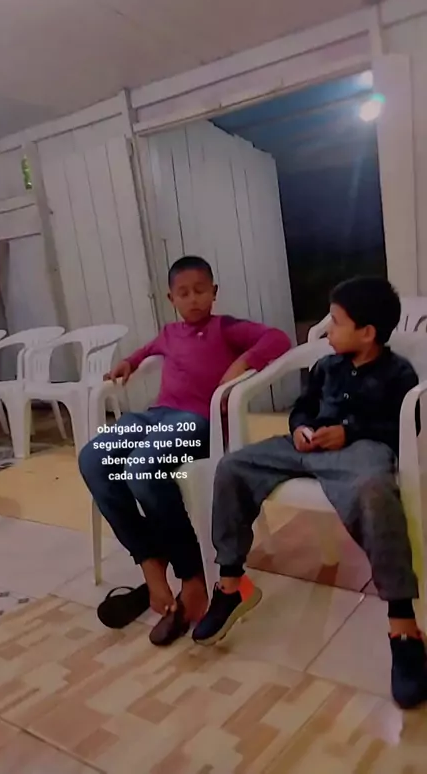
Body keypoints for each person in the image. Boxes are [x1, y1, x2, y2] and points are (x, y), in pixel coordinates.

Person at [193, 276, 427, 710]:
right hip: (306, 446)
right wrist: (300, 428)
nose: (326, 330)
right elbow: (302, 407)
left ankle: (403, 627)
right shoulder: (326, 366)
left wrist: (349, 431)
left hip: (359, 452)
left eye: (335, 322)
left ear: (367, 333)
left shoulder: (398, 373)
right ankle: (231, 584)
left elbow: (405, 424)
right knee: (232, 467)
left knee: (376, 492)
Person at [79, 255, 291, 646]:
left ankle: (191, 576)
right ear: (170, 298)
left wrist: (242, 364)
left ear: (214, 292)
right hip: (156, 416)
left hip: (198, 421)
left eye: (200, 291)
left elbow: (278, 339)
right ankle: (150, 562)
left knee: (142, 469)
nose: (193, 299)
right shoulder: (169, 332)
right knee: (93, 458)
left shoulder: (226, 328)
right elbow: (145, 351)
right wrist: (128, 362)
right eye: (183, 293)